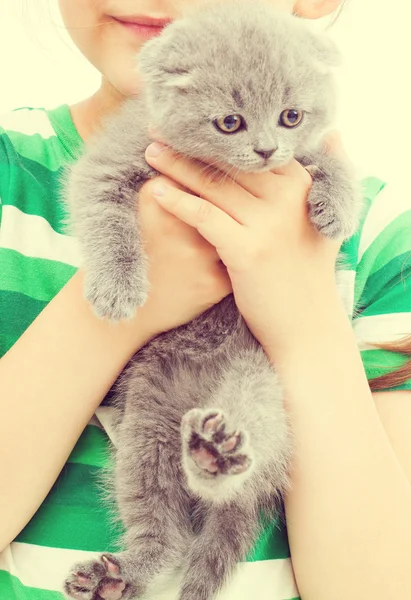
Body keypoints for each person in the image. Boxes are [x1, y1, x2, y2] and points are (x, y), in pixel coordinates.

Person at [0, 0, 410, 598]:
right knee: (149, 430)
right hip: (152, 385)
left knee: (247, 401)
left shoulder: (381, 241)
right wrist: (115, 318)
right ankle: (150, 549)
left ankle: (221, 465)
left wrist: (307, 326)